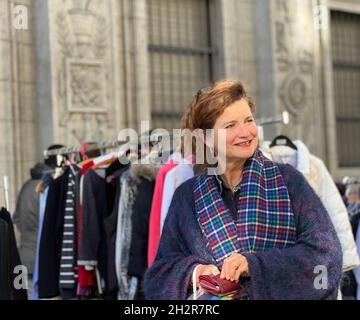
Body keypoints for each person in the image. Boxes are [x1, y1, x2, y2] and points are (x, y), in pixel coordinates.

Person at [143, 80, 343, 300]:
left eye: (249, 121)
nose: (245, 132)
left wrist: (253, 265)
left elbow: (326, 257)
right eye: (230, 126)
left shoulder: (289, 181)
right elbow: (158, 277)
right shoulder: (186, 197)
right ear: (205, 138)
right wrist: (195, 272)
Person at [13, 144, 65, 297]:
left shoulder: (27, 185)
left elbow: (16, 217)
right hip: (42, 261)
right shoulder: (47, 187)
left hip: (24, 257)